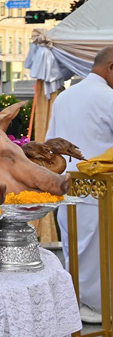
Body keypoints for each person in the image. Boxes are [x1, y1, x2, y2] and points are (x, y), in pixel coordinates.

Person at [47, 47, 113, 324]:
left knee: (75, 250)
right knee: (98, 253)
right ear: (111, 67)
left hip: (69, 188)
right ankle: (101, 309)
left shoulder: (64, 97)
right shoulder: (108, 97)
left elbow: (50, 145)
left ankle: (78, 304)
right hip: (102, 190)